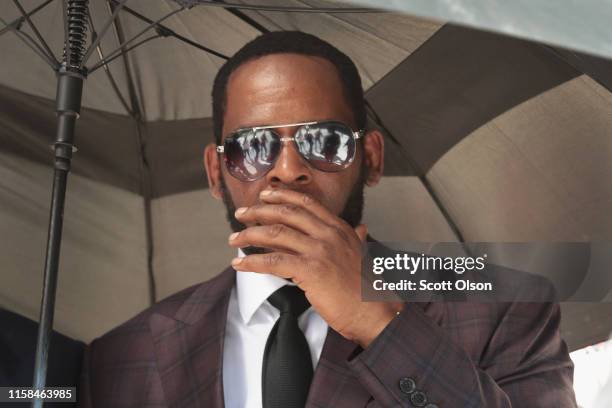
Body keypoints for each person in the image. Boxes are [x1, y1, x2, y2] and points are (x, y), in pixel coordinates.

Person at [79, 31, 577, 407]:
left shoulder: (504, 306)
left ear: (373, 159)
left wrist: (378, 324)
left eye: (325, 140)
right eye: (254, 147)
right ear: (216, 171)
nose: (289, 170)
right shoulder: (123, 355)